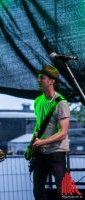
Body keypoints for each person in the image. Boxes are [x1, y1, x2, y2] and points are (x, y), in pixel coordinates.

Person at [25, 65, 70, 200]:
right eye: (38, 78)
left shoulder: (61, 103)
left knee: (64, 192)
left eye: (41, 78)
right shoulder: (38, 101)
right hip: (40, 153)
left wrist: (41, 142)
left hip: (57, 153)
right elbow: (38, 128)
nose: (38, 80)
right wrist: (30, 145)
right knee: (38, 191)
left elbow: (63, 132)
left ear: (51, 81)